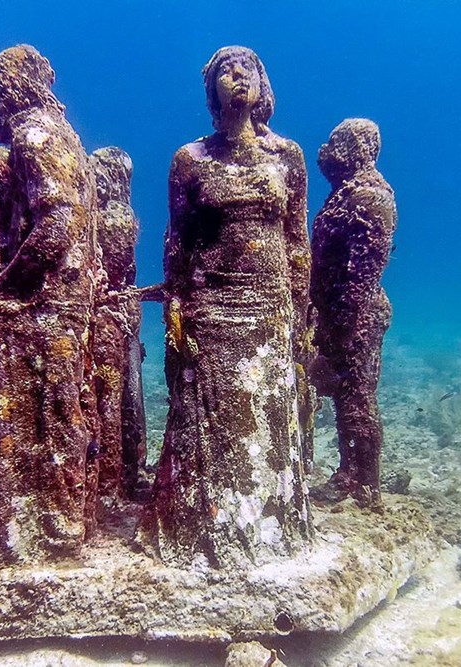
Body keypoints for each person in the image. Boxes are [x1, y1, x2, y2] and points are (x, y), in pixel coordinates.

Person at [139, 47, 314, 568]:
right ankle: (200, 531)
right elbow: (177, 242)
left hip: (269, 308)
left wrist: (301, 315)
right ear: (210, 89)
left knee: (267, 419)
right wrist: (174, 310)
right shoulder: (190, 161)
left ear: (264, 82)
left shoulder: (289, 157)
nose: (238, 77)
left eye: (248, 69)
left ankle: (271, 529)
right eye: (224, 71)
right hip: (211, 306)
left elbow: (297, 241)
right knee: (208, 420)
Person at [310, 118, 397, 508]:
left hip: (357, 316)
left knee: (359, 398)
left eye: (335, 143)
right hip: (339, 314)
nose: (326, 152)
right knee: (347, 398)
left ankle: (368, 484)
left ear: (356, 147)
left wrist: (342, 327)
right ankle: (349, 472)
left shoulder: (370, 198)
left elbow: (362, 274)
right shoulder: (346, 195)